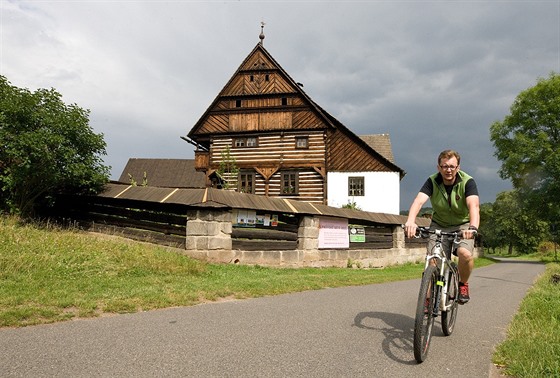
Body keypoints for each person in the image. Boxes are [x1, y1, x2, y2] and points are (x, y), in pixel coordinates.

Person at [404, 150, 480, 304]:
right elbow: (418, 201)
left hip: (463, 225)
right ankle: (427, 300)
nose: (448, 170)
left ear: (458, 167)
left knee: (464, 254)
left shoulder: (467, 182)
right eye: (444, 166)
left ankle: (463, 284)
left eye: (452, 166)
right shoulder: (432, 181)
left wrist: (472, 228)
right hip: (439, 224)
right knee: (433, 261)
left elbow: (474, 206)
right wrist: (410, 221)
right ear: (438, 167)